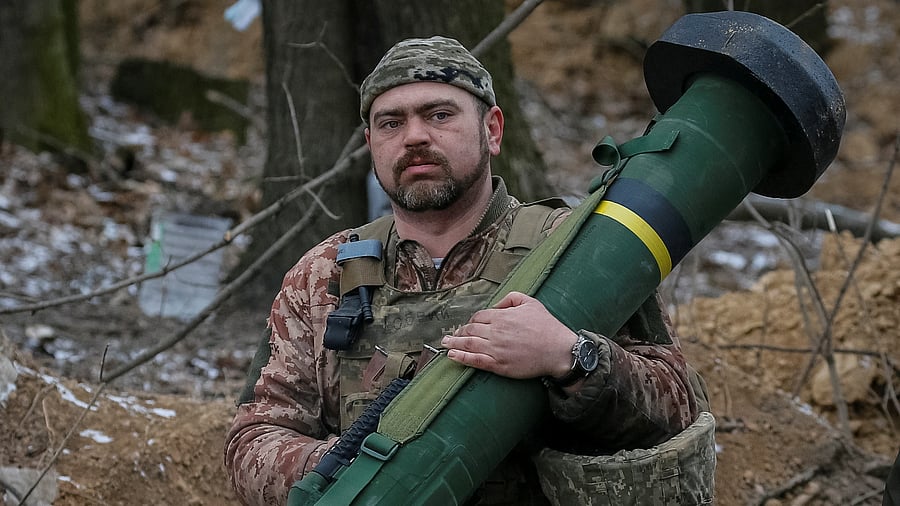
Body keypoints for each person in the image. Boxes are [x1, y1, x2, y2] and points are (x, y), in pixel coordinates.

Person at [225, 36, 706, 506]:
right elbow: (253, 439)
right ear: (372, 145)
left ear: (492, 130)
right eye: (391, 123)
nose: (414, 136)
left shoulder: (577, 251)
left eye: (439, 115)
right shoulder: (324, 274)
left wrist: (571, 357)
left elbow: (679, 407)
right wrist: (346, 468)